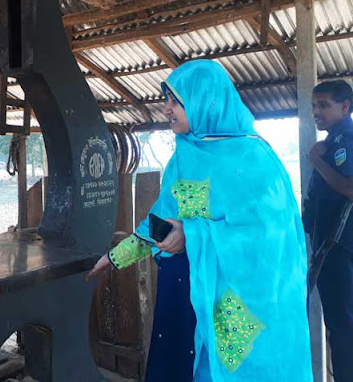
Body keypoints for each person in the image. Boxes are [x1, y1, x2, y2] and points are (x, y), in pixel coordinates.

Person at [87, 60, 312, 381]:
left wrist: (193, 235)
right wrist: (113, 258)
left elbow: (269, 237)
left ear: (206, 100)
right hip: (183, 293)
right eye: (166, 100)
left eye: (176, 101)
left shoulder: (254, 159)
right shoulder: (182, 157)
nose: (166, 109)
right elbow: (160, 222)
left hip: (232, 304)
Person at [304, 80, 353, 382]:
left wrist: (314, 160)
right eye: (314, 106)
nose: (316, 112)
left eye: (324, 105)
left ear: (345, 107)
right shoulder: (335, 140)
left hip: (338, 249)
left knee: (343, 327)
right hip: (333, 248)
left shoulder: (343, 141)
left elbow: (350, 188)